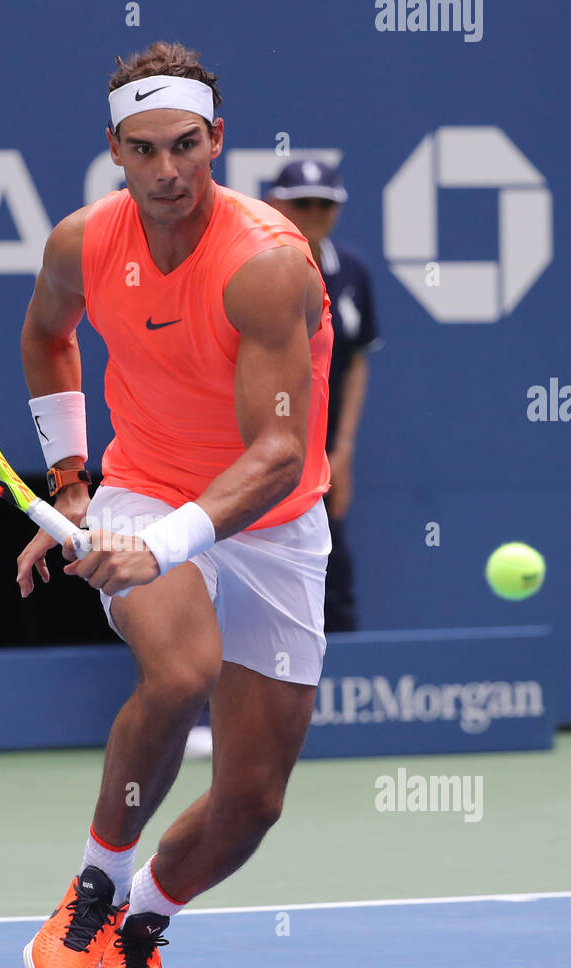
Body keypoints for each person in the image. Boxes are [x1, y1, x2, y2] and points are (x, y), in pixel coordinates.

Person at [14, 41, 333, 968]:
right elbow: (46, 336)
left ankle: (143, 921)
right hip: (143, 483)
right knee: (182, 667)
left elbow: (277, 450)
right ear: (113, 148)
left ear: (217, 140)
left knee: (251, 803)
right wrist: (73, 483)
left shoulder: (266, 264)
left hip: (271, 518)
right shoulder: (79, 243)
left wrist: (162, 545)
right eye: (143, 149)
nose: (165, 172)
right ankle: (96, 883)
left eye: (185, 147)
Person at [268, 160, 380, 631]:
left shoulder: (352, 271)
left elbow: (355, 362)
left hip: (323, 456)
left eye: (325, 204)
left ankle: (340, 688)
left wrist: (344, 450)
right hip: (260, 447)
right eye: (302, 203)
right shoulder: (256, 267)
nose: (314, 212)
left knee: (332, 571)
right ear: (276, 204)